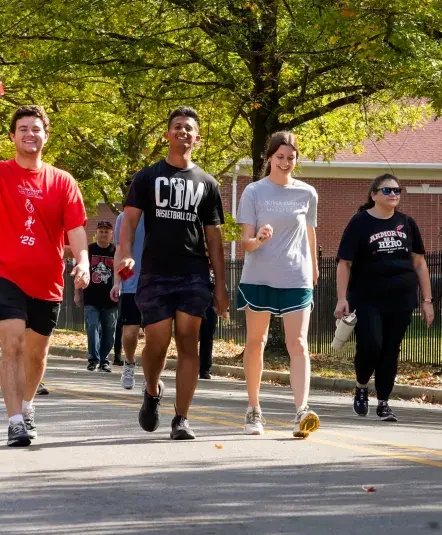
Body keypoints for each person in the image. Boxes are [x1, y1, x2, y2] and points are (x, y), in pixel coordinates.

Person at [0, 89, 89, 447]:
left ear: (46, 135)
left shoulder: (63, 181)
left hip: (46, 279)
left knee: (36, 351)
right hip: (4, 273)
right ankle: (14, 421)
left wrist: (83, 261)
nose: (30, 134)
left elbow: (76, 228)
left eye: (36, 129)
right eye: (23, 129)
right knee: (12, 344)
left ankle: (27, 406)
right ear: (13, 136)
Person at [118, 107, 228, 441]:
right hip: (155, 272)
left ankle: (181, 418)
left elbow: (215, 239)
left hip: (193, 273)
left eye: (189, 128)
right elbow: (130, 222)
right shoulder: (147, 177)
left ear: (198, 138)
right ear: (167, 134)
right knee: (157, 341)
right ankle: (152, 390)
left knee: (188, 341)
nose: (183, 131)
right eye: (177, 126)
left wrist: (221, 287)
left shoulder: (207, 183)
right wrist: (125, 254)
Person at [236, 132, 320, 438]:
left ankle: (301, 412)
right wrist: (258, 239)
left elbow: (310, 233)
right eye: (280, 157)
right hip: (259, 277)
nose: (285, 162)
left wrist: (313, 268)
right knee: (256, 341)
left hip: (295, 277)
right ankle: (254, 409)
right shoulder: (254, 192)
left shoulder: (307, 193)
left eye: (291, 157)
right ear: (270, 157)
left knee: (297, 344)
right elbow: (245, 244)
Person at [336, 174, 434, 423]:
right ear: (374, 195)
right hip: (367, 297)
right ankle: (361, 386)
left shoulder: (407, 223)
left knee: (391, 349)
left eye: (397, 190)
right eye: (387, 190)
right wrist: (341, 298)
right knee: (371, 344)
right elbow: (345, 263)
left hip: (401, 298)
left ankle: (383, 402)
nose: (393, 194)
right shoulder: (359, 222)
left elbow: (419, 263)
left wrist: (427, 300)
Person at [76, 220, 117, 372]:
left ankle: (104, 360)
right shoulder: (89, 250)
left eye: (106, 232)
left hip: (111, 299)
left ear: (111, 234)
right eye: (101, 231)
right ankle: (93, 359)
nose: (103, 234)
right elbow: (79, 272)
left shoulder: (115, 251)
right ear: (96, 233)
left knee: (109, 332)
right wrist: (77, 293)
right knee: (92, 326)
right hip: (91, 297)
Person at [112, 203, 145, 390]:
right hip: (131, 283)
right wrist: (117, 282)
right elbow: (119, 251)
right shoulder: (123, 218)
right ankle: (129, 363)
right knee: (130, 333)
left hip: (155, 284)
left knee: (156, 335)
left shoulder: (159, 216)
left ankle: (151, 373)